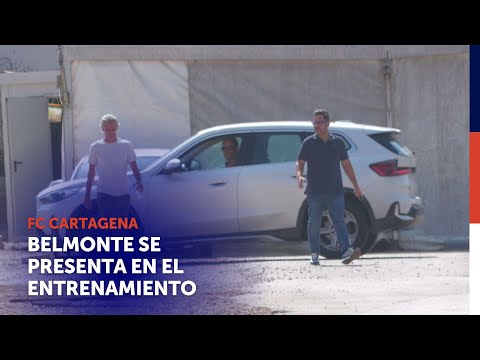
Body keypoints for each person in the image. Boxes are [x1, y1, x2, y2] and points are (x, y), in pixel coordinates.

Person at [296, 109, 363, 266]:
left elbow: (346, 165)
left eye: (319, 122)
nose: (316, 125)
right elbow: (300, 162)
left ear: (327, 123)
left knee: (339, 220)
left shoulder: (337, 142)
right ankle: (314, 253)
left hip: (335, 190)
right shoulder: (309, 143)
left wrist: (356, 186)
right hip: (315, 190)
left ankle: (346, 251)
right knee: (314, 222)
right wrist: (299, 175)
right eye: (314, 122)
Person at [84, 114, 143, 219]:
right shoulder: (95, 147)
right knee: (107, 229)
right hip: (104, 194)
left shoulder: (126, 145)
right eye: (107, 130)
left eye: (113, 129)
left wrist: (139, 181)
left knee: (121, 229)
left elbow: (134, 167)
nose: (110, 132)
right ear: (102, 129)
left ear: (117, 128)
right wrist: (87, 195)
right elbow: (91, 173)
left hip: (123, 194)